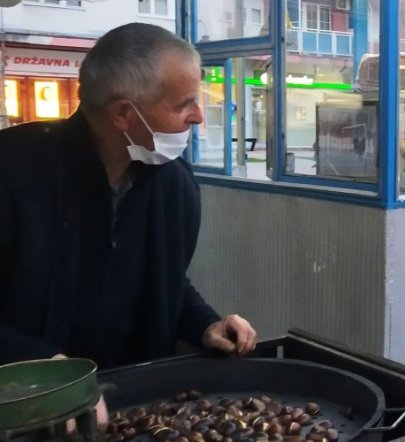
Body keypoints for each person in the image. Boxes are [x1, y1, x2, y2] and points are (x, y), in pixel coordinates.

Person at [0, 23, 257, 371]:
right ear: (123, 114)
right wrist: (41, 364)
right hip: (25, 395)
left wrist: (206, 324)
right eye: (184, 104)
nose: (197, 117)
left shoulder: (174, 184)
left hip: (134, 393)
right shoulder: (12, 172)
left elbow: (165, 281)